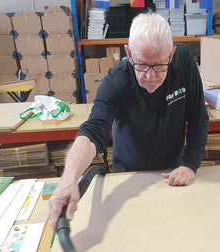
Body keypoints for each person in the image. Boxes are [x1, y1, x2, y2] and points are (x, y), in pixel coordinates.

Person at [48, 12, 209, 231]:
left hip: (173, 174)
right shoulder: (117, 80)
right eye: (142, 65)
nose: (150, 76)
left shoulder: (183, 61)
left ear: (171, 55)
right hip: (128, 174)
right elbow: (93, 131)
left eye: (160, 65)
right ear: (129, 53)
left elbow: (198, 117)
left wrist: (190, 165)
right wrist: (69, 179)